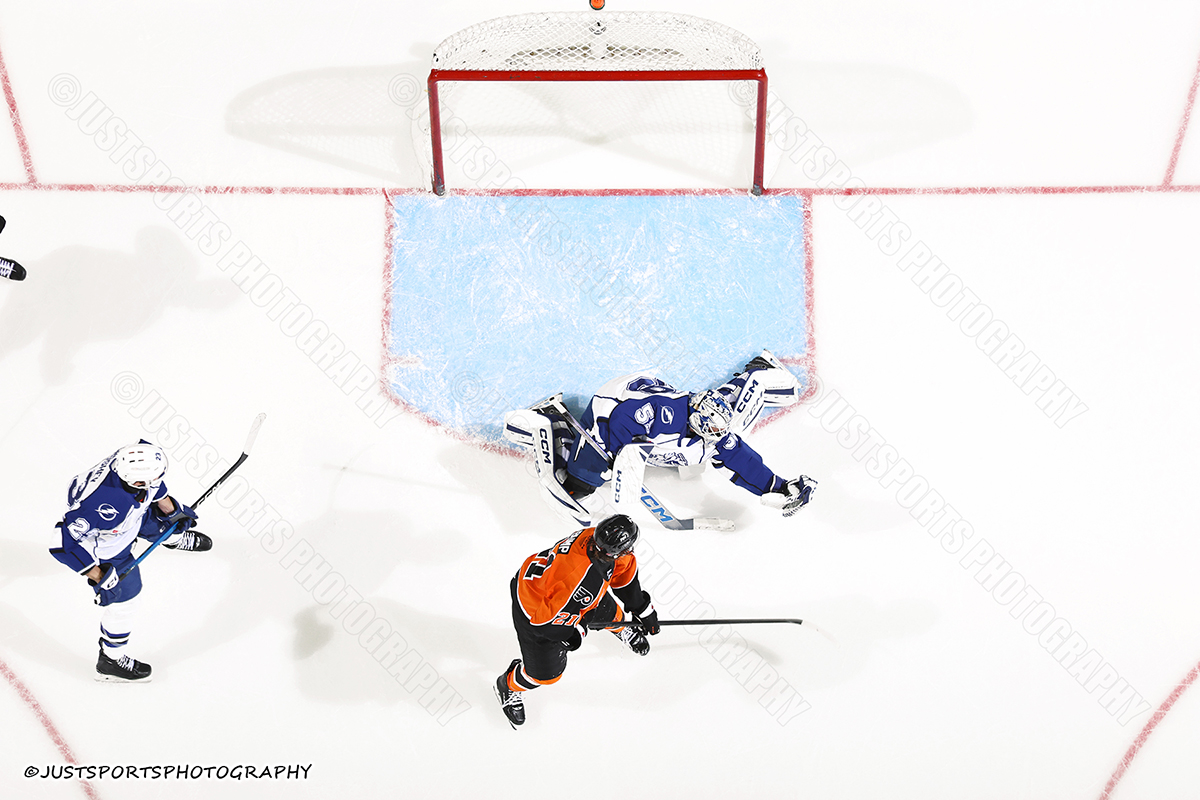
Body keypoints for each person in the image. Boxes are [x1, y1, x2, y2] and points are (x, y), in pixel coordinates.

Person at [503, 350, 816, 525]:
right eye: (714, 432)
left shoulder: (713, 428)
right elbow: (623, 420)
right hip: (617, 403)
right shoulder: (661, 415)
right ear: (696, 423)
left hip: (656, 407)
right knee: (587, 478)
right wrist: (624, 462)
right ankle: (553, 423)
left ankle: (758, 370)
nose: (719, 438)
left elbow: (741, 460)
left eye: (718, 433)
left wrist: (776, 486)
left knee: (729, 428)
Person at [49, 441, 211, 682]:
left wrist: (169, 508)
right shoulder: (103, 505)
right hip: (109, 548)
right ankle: (110, 660)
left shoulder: (133, 459)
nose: (157, 480)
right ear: (135, 483)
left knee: (162, 520)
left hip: (129, 518)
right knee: (126, 600)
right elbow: (60, 544)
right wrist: (99, 575)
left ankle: (172, 539)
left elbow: (152, 483)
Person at [494, 514, 659, 728]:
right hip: (534, 608)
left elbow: (622, 573)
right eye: (627, 549)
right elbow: (544, 624)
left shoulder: (595, 540)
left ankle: (619, 627)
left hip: (555, 588)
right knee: (546, 674)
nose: (630, 552)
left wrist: (643, 610)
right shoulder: (581, 579)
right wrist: (574, 634)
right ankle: (508, 686)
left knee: (604, 607)